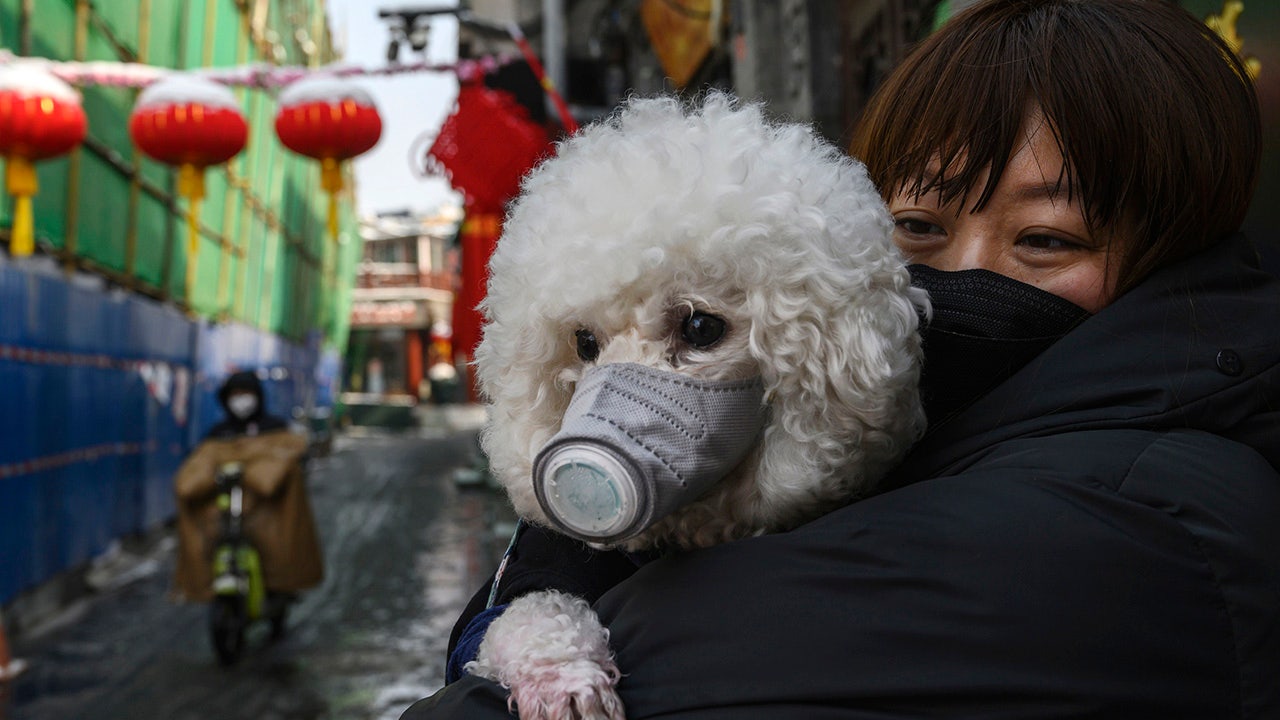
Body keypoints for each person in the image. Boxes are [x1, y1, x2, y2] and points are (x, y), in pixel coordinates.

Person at [405, 0, 1278, 717]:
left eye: (1045, 238)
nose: (967, 272)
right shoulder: (918, 434)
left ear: (1176, 247)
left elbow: (699, 665)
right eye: (918, 226)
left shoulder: (1139, 518)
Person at [171, 370, 324, 605]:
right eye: (235, 395)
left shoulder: (275, 428)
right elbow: (193, 476)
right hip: (226, 508)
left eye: (246, 393)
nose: (241, 400)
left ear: (257, 396)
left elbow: (280, 467)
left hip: (266, 509)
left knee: (278, 545)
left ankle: (280, 589)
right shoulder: (218, 433)